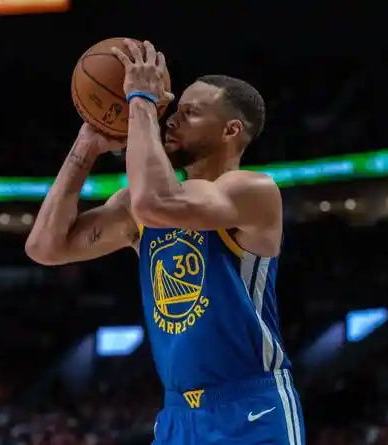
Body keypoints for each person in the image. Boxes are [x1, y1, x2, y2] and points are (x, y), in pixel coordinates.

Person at [26, 39, 304, 445]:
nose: (171, 120)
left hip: (251, 407)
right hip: (177, 414)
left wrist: (140, 100)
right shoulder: (137, 208)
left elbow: (157, 203)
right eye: (174, 109)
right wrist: (85, 147)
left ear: (230, 130)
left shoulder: (253, 191)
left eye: (191, 113)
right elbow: (45, 248)